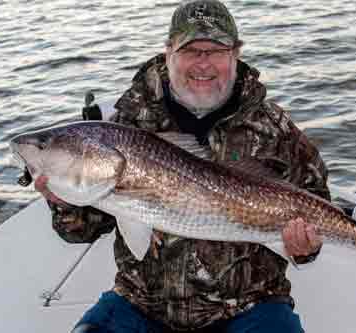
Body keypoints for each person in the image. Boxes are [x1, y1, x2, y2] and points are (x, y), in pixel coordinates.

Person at [35, 1, 330, 332]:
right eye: (191, 50)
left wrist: (305, 249)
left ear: (235, 53)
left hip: (251, 306)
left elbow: (317, 203)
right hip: (140, 303)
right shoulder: (127, 126)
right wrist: (62, 202)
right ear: (168, 53)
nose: (203, 63)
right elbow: (81, 230)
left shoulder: (275, 129)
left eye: (215, 50)